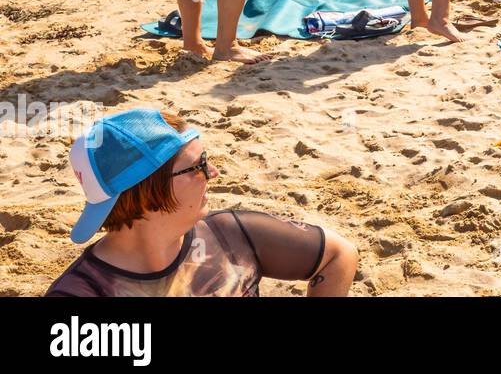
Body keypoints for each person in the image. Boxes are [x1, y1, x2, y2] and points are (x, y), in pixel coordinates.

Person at [47, 108, 358, 296]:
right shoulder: (83, 293)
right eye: (198, 165)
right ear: (146, 191)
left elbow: (338, 255)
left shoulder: (231, 235)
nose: (213, 172)